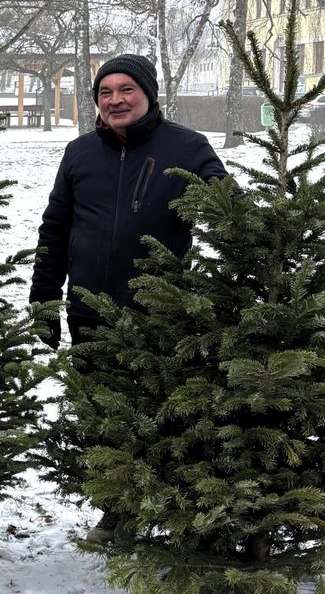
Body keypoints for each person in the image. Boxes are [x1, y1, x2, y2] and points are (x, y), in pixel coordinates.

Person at [29, 53, 225, 539]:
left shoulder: (187, 146)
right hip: (89, 309)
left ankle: (172, 511)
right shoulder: (79, 154)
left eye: (125, 90)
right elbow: (55, 229)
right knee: (102, 412)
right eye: (105, 93)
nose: (115, 100)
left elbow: (227, 209)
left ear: (148, 94)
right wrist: (44, 300)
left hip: (161, 312)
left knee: (157, 411)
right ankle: (117, 509)